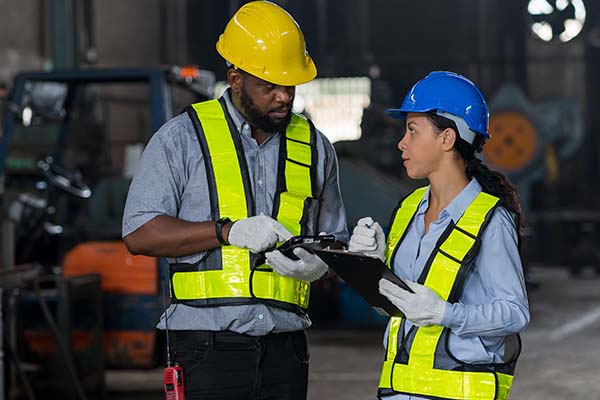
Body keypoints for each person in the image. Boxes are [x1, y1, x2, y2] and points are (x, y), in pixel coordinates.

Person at [122, 2, 347, 399]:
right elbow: (139, 233)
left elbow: (333, 241)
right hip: (207, 350)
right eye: (269, 87)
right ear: (236, 78)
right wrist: (227, 232)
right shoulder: (182, 138)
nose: (283, 97)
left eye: (290, 86)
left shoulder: (315, 148)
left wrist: (322, 263)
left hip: (287, 350)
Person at [348, 71, 530, 400]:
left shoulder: (490, 219)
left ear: (446, 139)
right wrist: (370, 266)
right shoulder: (408, 209)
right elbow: (396, 308)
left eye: (412, 131)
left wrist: (445, 314)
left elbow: (514, 313)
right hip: (397, 392)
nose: (402, 143)